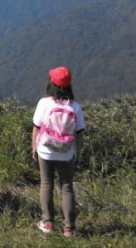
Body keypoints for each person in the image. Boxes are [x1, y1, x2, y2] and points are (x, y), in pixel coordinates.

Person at [32, 67, 86, 237]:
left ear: (51, 83)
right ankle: (69, 228)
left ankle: (47, 223)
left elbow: (36, 128)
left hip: (45, 150)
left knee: (46, 184)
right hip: (66, 152)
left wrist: (34, 147)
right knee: (67, 186)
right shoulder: (75, 107)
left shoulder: (44, 103)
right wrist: (77, 152)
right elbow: (79, 133)